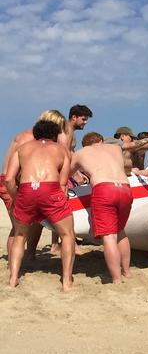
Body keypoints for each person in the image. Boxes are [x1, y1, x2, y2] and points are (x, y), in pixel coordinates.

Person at [5, 120, 75, 291]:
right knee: (67, 235)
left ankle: (13, 278)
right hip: (50, 188)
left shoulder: (22, 149)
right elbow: (63, 184)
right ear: (54, 135)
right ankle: (66, 281)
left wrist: (17, 197)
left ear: (36, 134)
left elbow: (8, 179)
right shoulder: (62, 150)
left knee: (20, 235)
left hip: (27, 189)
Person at [2, 110, 69, 259]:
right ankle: (13, 264)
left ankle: (28, 256)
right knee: (17, 228)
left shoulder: (27, 135)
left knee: (29, 223)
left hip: (13, 180)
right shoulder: (31, 139)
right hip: (12, 182)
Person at [70, 132, 132, 284]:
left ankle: (116, 279)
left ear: (85, 144)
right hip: (125, 188)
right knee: (121, 232)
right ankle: (127, 272)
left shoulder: (80, 153)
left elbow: (66, 174)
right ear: (101, 140)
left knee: (109, 236)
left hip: (104, 188)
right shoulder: (115, 148)